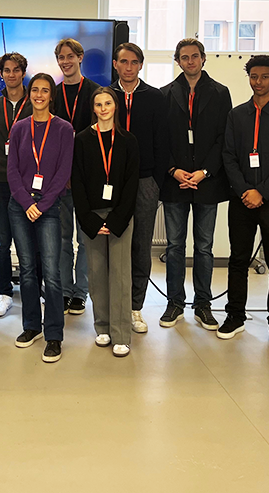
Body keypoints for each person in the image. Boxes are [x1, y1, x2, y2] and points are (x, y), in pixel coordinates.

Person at [220, 55, 269, 348]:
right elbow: (228, 156)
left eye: (265, 76)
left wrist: (261, 192)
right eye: (254, 76)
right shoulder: (237, 115)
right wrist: (245, 190)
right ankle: (235, 316)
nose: (258, 82)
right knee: (238, 259)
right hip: (241, 199)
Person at [159, 38, 232, 330]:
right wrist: (174, 170)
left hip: (207, 182)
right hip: (175, 182)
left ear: (203, 58)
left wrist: (204, 171)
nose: (190, 61)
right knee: (175, 246)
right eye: (184, 57)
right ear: (177, 61)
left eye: (194, 56)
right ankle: (175, 302)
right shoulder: (165, 94)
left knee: (204, 247)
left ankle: (203, 304)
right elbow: (160, 139)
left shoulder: (220, 93)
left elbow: (224, 138)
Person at [8, 73, 75, 364]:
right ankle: (32, 327)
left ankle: (54, 335)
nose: (39, 95)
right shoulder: (19, 128)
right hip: (20, 207)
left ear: (51, 96)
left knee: (52, 272)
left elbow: (63, 172)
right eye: (34, 90)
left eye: (44, 90)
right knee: (27, 270)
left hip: (49, 207)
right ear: (29, 94)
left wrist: (43, 204)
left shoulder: (63, 129)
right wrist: (26, 203)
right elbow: (12, 170)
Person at [72, 88, 140, 357]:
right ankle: (102, 327)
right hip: (92, 215)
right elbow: (77, 181)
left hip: (120, 216)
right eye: (98, 104)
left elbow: (131, 183)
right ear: (93, 108)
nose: (103, 108)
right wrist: (88, 219)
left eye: (108, 103)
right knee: (97, 273)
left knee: (120, 275)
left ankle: (121, 334)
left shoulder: (128, 140)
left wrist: (116, 219)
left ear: (115, 106)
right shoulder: (82, 140)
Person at [110, 43, 169, 335]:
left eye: (134, 62)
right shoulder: (106, 96)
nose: (129, 67)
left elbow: (163, 141)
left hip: (146, 181)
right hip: (112, 182)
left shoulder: (155, 97)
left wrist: (156, 180)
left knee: (141, 245)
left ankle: (135, 307)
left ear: (141, 65)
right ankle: (113, 306)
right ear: (115, 64)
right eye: (124, 61)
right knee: (114, 243)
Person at [0, 52, 32, 318]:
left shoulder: (35, 102)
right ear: (1, 73)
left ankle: (33, 289)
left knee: (32, 240)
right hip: (3, 180)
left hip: (31, 182)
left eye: (16, 70)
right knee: (2, 241)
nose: (11, 74)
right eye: (6, 70)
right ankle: (4, 292)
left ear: (23, 72)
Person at [53, 37, 99, 316]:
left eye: (71, 56)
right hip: (59, 180)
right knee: (61, 239)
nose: (66, 61)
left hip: (86, 179)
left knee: (85, 240)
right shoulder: (53, 94)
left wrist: (78, 174)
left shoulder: (95, 93)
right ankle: (64, 291)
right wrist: (62, 174)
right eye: (61, 57)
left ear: (80, 58)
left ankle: (80, 292)